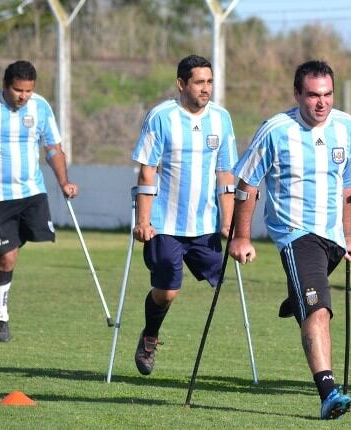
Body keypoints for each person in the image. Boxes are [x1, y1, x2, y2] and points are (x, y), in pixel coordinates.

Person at [229, 60, 351, 420]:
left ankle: (296, 295)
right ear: (297, 95)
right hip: (296, 234)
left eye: (328, 94)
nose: (322, 103)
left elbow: (349, 188)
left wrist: (349, 234)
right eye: (313, 95)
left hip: (332, 237)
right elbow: (247, 186)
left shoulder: (347, 127)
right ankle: (328, 392)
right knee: (318, 310)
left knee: (308, 297)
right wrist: (241, 237)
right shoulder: (275, 130)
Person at [0, 60, 78, 342]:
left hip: (32, 192)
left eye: (28, 91)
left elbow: (53, 148)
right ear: (6, 85)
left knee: (17, 250)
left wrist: (63, 182)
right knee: (6, 258)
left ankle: (6, 253)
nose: (23, 96)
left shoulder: (41, 107)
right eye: (18, 90)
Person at [130, 55, 238, 376]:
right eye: (199, 82)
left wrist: (229, 222)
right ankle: (150, 335)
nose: (206, 88)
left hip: (204, 225)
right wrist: (143, 221)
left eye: (209, 82)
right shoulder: (161, 117)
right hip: (164, 223)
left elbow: (225, 174)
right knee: (167, 291)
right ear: (181, 84)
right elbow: (147, 171)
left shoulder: (221, 119)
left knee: (222, 278)